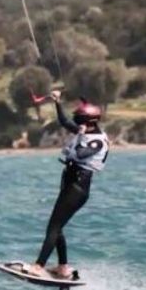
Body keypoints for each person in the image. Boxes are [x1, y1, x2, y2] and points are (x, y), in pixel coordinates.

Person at [26, 90, 109, 279]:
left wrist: (79, 135)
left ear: (88, 122)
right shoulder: (86, 130)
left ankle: (38, 266)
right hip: (70, 185)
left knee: (53, 227)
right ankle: (63, 268)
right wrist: (57, 102)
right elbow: (64, 122)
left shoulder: (97, 141)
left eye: (79, 122)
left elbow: (80, 154)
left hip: (77, 189)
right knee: (58, 227)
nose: (77, 125)